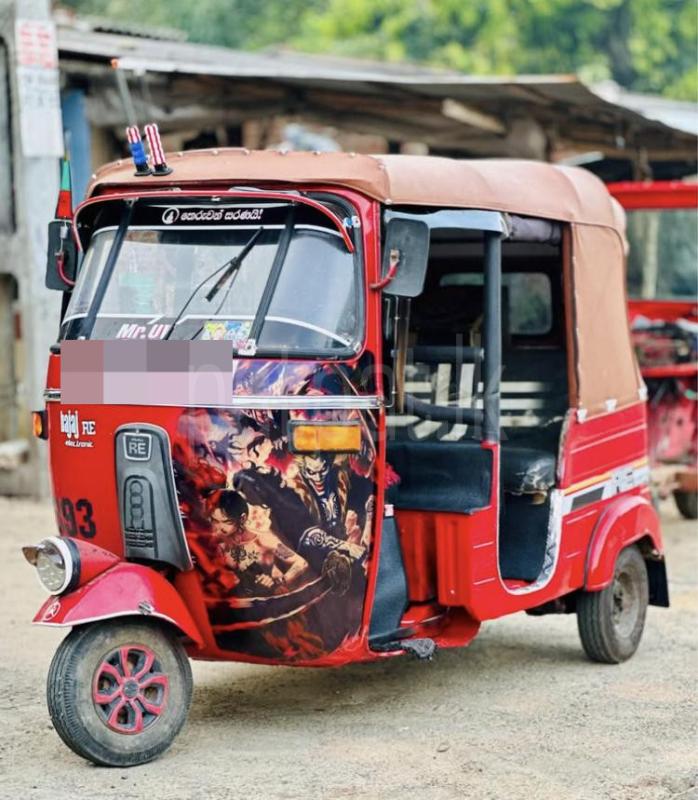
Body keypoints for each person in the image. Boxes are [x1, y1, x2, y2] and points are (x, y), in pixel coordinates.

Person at [210, 490, 309, 597]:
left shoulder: (263, 540)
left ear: (242, 518)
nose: (219, 527)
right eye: (215, 520)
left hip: (273, 600)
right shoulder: (219, 543)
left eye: (226, 522)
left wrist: (279, 581)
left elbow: (301, 563)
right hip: (242, 603)